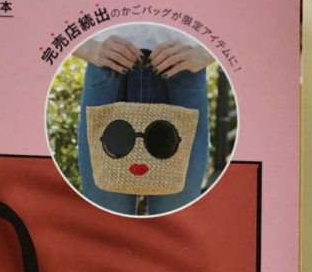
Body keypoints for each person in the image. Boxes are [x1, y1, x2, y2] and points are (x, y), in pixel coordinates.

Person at [73, 24, 215, 216]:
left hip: (182, 68)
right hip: (109, 66)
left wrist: (207, 52)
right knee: (106, 224)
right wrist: (86, 47)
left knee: (175, 223)